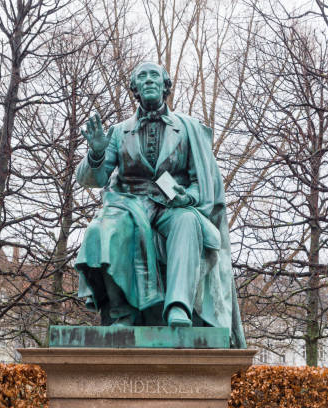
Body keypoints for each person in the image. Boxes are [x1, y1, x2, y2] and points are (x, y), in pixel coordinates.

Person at [74, 61, 246, 348]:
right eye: (142, 77)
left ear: (166, 86)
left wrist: (187, 198)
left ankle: (178, 307)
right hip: (129, 203)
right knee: (99, 231)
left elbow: (200, 180)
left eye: (155, 75)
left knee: (187, 221)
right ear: (135, 89)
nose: (149, 80)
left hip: (172, 205)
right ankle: (121, 314)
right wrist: (97, 152)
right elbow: (95, 179)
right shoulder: (119, 132)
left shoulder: (188, 128)